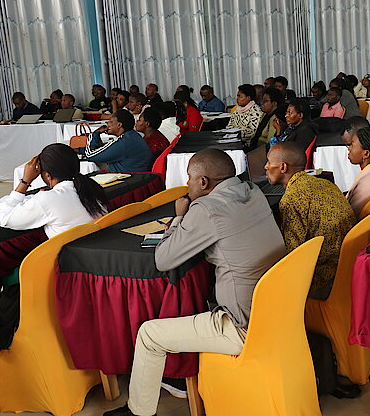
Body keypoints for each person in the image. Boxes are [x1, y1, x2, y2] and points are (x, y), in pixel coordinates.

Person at [103, 149, 286, 416]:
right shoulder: (252, 191)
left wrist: (179, 217)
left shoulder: (207, 208)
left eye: (189, 178)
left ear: (203, 182)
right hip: (277, 311)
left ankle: (139, 412)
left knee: (149, 334)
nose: (187, 183)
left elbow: (163, 259)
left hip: (243, 326)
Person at [0, 143, 108, 283]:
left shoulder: (47, 199)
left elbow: (4, 218)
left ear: (47, 175)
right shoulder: (92, 189)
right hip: (88, 254)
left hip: (61, 262)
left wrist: (25, 181)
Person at [265, 141, 356, 300]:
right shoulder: (324, 183)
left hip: (323, 278)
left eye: (268, 162)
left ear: (283, 167)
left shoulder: (292, 199)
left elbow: (293, 254)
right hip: (346, 266)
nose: (265, 167)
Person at [83, 109, 153, 172]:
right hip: (137, 177)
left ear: (119, 125)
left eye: (110, 121)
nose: (107, 124)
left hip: (127, 179)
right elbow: (105, 150)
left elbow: (90, 155)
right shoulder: (132, 136)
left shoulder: (123, 142)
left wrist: (95, 133)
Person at [227, 84, 265, 149]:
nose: (237, 99)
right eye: (237, 96)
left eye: (240, 96)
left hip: (247, 144)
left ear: (248, 98)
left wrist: (234, 136)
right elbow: (229, 125)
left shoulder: (256, 112)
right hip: (232, 140)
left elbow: (251, 132)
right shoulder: (237, 110)